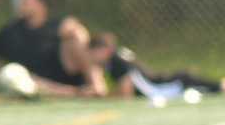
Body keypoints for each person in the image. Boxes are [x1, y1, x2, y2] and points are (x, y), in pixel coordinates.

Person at [0, 0, 106, 100]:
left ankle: (96, 86)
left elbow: (76, 35)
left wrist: (73, 25)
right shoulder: (9, 32)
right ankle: (78, 93)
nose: (22, 4)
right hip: (35, 82)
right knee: (15, 76)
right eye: (22, 0)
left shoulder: (56, 25)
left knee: (77, 32)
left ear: (42, 6)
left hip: (65, 72)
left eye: (27, 0)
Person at [88, 32, 222, 99]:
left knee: (216, 88)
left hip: (170, 86)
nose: (91, 58)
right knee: (214, 87)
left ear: (105, 49)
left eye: (93, 53)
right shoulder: (117, 55)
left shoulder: (115, 61)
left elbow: (126, 89)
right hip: (168, 81)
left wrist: (107, 97)